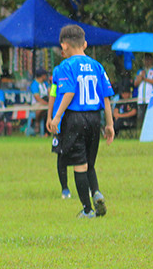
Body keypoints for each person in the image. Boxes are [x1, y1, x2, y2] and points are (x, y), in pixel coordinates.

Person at [47, 25, 114, 218]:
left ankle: (87, 210)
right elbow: (107, 98)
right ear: (85, 44)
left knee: (79, 164)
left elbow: (69, 92)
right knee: (89, 163)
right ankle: (97, 192)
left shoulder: (66, 66)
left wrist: (56, 116)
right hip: (95, 118)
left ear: (64, 46)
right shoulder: (97, 66)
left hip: (75, 118)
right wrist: (109, 125)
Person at [48, 64, 71, 198]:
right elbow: (53, 93)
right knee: (61, 154)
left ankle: (89, 187)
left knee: (82, 155)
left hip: (76, 117)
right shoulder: (58, 70)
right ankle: (65, 188)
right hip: (59, 119)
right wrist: (49, 116)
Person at [133, 54, 153, 126]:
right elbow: (136, 83)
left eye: (148, 59)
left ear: (152, 60)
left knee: (152, 116)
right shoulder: (140, 71)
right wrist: (141, 76)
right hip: (141, 98)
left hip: (151, 98)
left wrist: (144, 78)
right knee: (141, 117)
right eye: (145, 59)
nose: (147, 61)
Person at [28, 68, 50, 136]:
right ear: (42, 76)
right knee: (40, 109)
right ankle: (37, 122)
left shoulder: (45, 84)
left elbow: (50, 92)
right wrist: (46, 104)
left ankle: (46, 131)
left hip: (46, 102)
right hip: (37, 103)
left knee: (47, 111)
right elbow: (37, 98)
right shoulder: (34, 84)